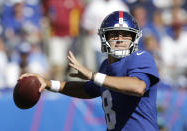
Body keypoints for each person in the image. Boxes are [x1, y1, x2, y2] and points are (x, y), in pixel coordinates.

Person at [20, 11, 159, 131]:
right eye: (114, 34)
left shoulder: (141, 58)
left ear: (134, 38)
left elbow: (138, 86)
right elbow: (88, 89)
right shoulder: (106, 66)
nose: (120, 40)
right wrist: (49, 83)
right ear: (104, 37)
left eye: (125, 35)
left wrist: (93, 75)